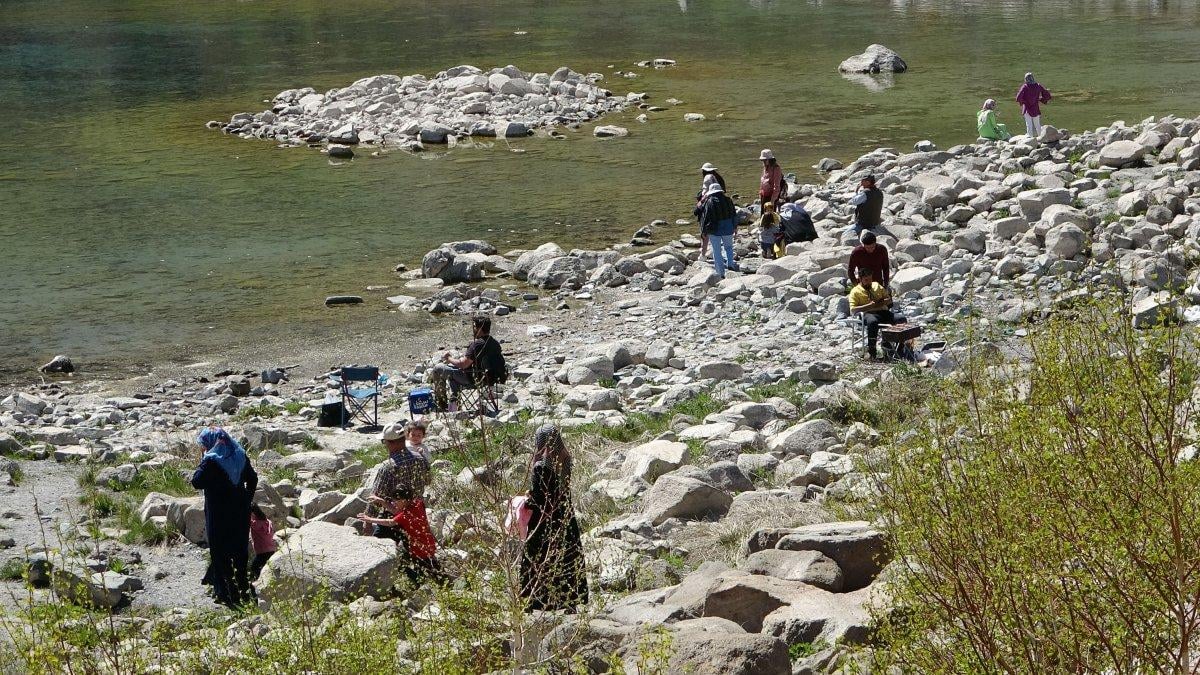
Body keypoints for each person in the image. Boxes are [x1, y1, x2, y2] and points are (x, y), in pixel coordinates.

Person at [521, 425, 588, 612]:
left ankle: (535, 602)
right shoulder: (564, 461)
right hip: (565, 517)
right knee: (567, 558)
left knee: (537, 559)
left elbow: (540, 499)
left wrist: (526, 500)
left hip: (543, 524)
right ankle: (570, 601)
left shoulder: (541, 467)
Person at [191, 427, 258, 607]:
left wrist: (204, 459)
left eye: (204, 446)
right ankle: (242, 588)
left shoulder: (212, 462)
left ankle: (226, 592)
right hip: (240, 512)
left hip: (218, 513)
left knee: (220, 551)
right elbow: (253, 479)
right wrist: (247, 500)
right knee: (239, 550)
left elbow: (196, 481)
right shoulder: (239, 455)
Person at [368, 422, 431, 544]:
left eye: (384, 442)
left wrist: (368, 521)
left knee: (381, 548)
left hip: (393, 515)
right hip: (417, 512)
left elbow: (376, 497)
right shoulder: (421, 458)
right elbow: (428, 481)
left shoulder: (388, 467)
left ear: (391, 443)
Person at [358, 496, 440, 585]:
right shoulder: (418, 504)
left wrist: (369, 519)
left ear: (404, 500)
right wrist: (382, 502)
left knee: (398, 563)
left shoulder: (404, 516)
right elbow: (396, 511)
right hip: (429, 545)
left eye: (396, 501)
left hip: (418, 551)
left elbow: (390, 522)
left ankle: (419, 582)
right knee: (434, 571)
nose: (394, 504)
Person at [429, 315, 503, 411]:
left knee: (438, 368)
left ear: (480, 329)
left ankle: (442, 405)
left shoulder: (477, 344)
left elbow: (463, 364)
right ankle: (454, 404)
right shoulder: (495, 344)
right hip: (490, 379)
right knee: (453, 372)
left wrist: (448, 358)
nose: (473, 330)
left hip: (473, 379)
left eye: (474, 327)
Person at [849, 268, 907, 360]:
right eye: (866, 280)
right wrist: (869, 306)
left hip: (882, 311)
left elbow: (888, 299)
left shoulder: (876, 285)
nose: (869, 282)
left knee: (901, 319)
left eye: (870, 279)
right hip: (868, 313)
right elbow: (853, 309)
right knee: (873, 322)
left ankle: (896, 347)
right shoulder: (855, 291)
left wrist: (883, 302)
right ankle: (872, 351)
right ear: (860, 279)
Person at [693, 183, 739, 278]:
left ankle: (720, 272)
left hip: (715, 230)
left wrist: (703, 231)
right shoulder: (728, 200)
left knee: (716, 251)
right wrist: (735, 226)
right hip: (728, 227)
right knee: (729, 247)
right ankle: (730, 263)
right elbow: (733, 214)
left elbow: (705, 217)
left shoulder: (709, 201)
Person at [696, 163, 725, 260]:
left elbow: (705, 192)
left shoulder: (707, 177)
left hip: (709, 204)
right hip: (718, 205)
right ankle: (716, 251)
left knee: (704, 229)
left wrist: (700, 202)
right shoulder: (717, 177)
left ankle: (703, 254)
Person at [1015, 72, 1052, 137]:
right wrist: (1041, 99)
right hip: (1035, 108)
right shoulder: (1038, 85)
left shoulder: (1025, 86)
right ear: (1033, 78)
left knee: (1029, 125)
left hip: (1026, 109)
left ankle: (1030, 139)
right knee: (1037, 125)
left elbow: (1018, 98)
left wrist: (1023, 102)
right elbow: (1048, 95)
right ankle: (1041, 138)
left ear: (1025, 79)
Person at [248, 503, 277, 582]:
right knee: (267, 568)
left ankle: (262, 582)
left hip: (262, 551)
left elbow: (248, 522)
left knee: (254, 568)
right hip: (271, 549)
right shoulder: (268, 521)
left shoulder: (255, 524)